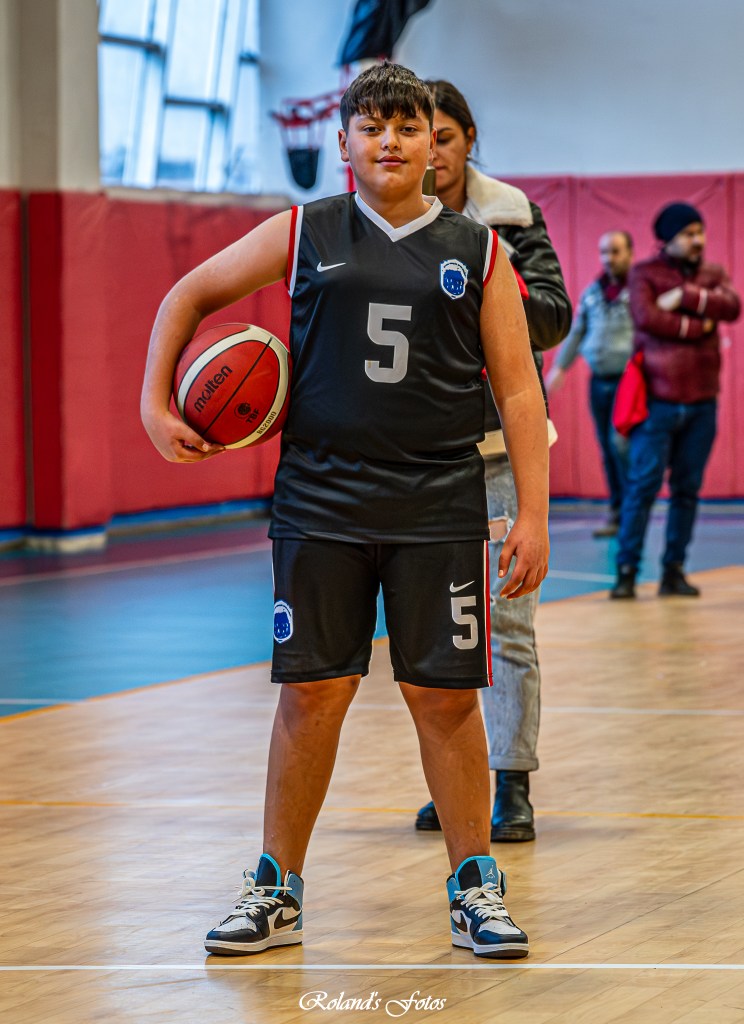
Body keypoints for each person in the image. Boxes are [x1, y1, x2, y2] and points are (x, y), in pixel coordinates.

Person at [140, 64, 550, 960]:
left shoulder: (479, 250)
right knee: (312, 693)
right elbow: (186, 296)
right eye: (372, 127)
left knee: (445, 699)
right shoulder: (302, 232)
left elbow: (520, 390)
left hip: (438, 504)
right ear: (343, 144)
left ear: (435, 143)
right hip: (320, 502)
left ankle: (475, 887)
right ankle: (276, 888)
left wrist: (533, 515)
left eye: (407, 126)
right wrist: (154, 404)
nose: (390, 141)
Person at [414, 80, 571, 843]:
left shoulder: (509, 214)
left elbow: (554, 317)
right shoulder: (391, 221)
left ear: (469, 139)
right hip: (420, 452)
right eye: (424, 138)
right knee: (435, 630)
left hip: (500, 450)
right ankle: (458, 781)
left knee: (506, 622)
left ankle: (512, 782)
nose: (432, 153)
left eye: (445, 137)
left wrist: (490, 269)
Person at [611, 202, 740, 599]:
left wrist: (684, 295)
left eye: (700, 232)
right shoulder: (644, 274)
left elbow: (732, 307)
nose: (698, 240)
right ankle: (627, 572)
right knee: (643, 487)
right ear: (667, 238)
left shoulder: (713, 273)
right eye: (688, 233)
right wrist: (699, 323)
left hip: (702, 402)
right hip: (657, 403)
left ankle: (673, 571)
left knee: (687, 489)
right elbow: (647, 318)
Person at [546, 231, 634, 537]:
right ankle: (618, 513)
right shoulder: (593, 293)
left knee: (620, 445)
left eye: (615, 251)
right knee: (607, 449)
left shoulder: (639, 290)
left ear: (629, 254)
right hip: (599, 382)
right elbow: (578, 331)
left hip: (629, 383)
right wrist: (560, 367)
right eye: (604, 252)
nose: (609, 258)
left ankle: (632, 513)